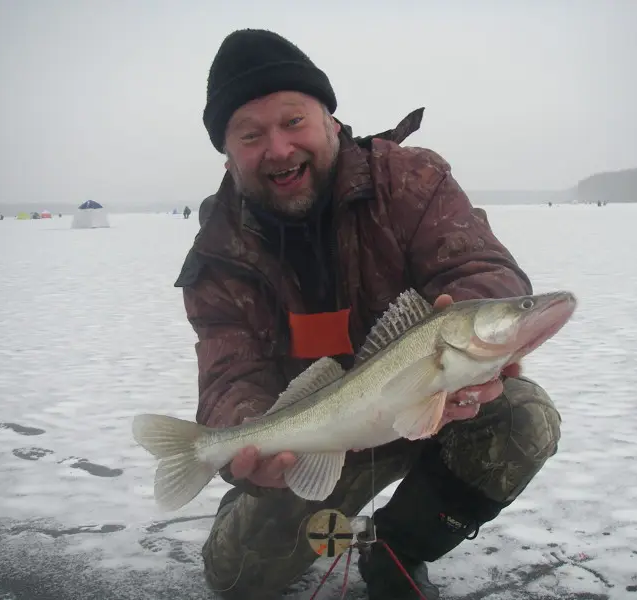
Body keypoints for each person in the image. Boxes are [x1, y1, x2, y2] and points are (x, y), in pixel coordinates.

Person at [174, 28, 561, 600]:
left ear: (330, 120)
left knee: (522, 419)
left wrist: (477, 314)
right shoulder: (218, 256)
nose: (278, 148)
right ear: (229, 155)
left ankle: (399, 547)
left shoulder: (409, 181)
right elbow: (231, 374)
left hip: (433, 410)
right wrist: (247, 449)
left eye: (293, 121)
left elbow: (478, 265)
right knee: (239, 578)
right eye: (251, 135)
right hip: (314, 438)